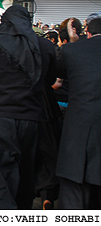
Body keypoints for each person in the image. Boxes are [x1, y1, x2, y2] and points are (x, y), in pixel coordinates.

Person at [0, 6, 57, 209]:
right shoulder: (45, 46)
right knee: (26, 174)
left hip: (1, 119)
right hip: (32, 121)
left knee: (0, 175)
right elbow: (50, 79)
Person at [56, 18, 101, 209]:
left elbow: (59, 77)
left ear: (88, 32)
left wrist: (74, 43)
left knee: (74, 188)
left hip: (79, 128)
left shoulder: (71, 50)